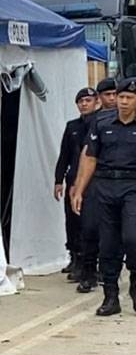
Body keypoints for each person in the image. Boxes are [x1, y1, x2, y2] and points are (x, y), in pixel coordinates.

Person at [71, 77, 136, 316]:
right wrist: (79, 189)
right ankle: (111, 296)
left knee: (132, 238)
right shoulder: (102, 122)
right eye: (121, 97)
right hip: (105, 186)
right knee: (107, 244)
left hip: (132, 186)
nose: (124, 102)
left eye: (129, 98)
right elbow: (89, 158)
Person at [53, 87, 100, 280]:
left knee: (89, 223)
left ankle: (89, 264)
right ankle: (75, 257)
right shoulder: (72, 126)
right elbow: (64, 155)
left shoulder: (100, 123)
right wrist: (58, 180)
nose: (84, 104)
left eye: (88, 101)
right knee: (72, 221)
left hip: (94, 181)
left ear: (96, 102)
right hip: (72, 179)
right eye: (81, 101)